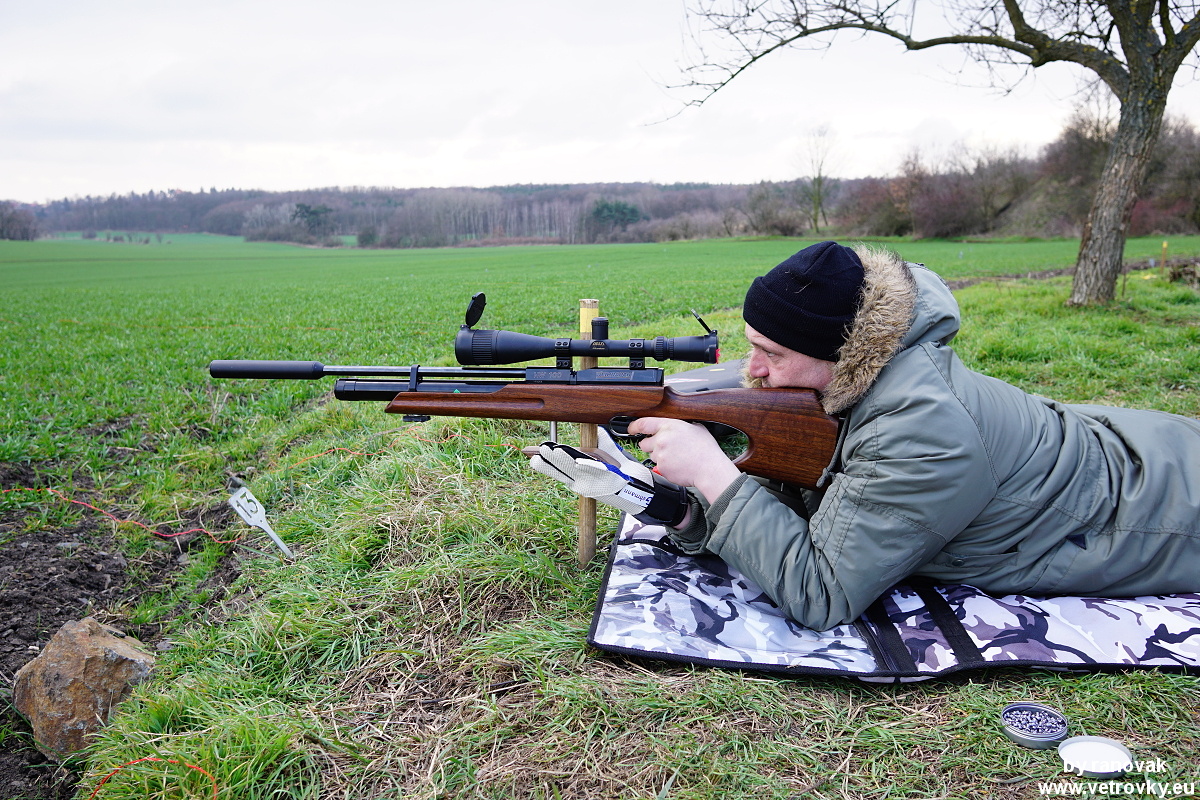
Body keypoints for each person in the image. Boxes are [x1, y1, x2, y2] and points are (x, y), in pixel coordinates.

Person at [531, 241, 1200, 631]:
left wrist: (712, 471)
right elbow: (806, 503)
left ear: (840, 353)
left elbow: (822, 593)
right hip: (1135, 446)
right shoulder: (853, 380)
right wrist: (675, 506)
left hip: (1166, 513)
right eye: (751, 345)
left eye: (772, 353)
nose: (752, 370)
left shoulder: (919, 432)